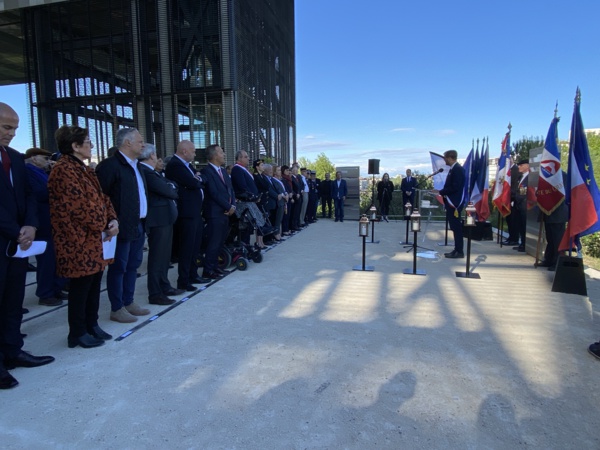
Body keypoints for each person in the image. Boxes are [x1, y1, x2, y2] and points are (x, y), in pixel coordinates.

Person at [49, 125, 119, 348]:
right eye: (88, 142)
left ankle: (92, 324)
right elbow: (79, 207)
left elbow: (103, 199)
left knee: (94, 283)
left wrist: (112, 219)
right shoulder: (63, 170)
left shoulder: (85, 170)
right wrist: (104, 224)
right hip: (77, 241)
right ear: (75, 146)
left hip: (94, 240)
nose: (91, 146)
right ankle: (77, 332)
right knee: (81, 287)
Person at [1, 102, 55, 390]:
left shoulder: (14, 157)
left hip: (19, 243)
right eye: (6, 127)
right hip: (8, 239)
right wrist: (16, 231)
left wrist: (31, 226)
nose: (11, 134)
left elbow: (30, 196)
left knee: (12, 302)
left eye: (15, 129)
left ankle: (12, 350)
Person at [96, 127, 150, 323]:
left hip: (138, 224)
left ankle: (128, 301)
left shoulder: (137, 166)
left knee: (133, 266)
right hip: (119, 227)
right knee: (119, 267)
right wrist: (108, 223)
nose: (143, 144)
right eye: (140, 141)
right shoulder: (110, 166)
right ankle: (117, 307)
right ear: (127, 143)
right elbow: (101, 197)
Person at [138, 144, 181, 305]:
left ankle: (164, 285)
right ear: (151, 156)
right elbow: (169, 191)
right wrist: (170, 187)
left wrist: (170, 187)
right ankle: (155, 293)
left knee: (164, 257)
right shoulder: (146, 172)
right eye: (156, 154)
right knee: (157, 258)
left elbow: (170, 187)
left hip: (164, 219)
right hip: (158, 220)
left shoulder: (152, 173)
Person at [24, 147, 67, 306]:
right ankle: (45, 292)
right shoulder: (29, 172)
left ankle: (56, 288)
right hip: (43, 221)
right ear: (34, 158)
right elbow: (41, 192)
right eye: (45, 158)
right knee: (46, 259)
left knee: (55, 258)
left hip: (52, 221)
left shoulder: (43, 172)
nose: (48, 161)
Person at [165, 140, 209, 291]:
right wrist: (197, 180)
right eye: (193, 151)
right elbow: (193, 182)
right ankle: (183, 280)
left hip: (195, 212)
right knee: (187, 248)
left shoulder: (187, 165)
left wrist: (199, 179)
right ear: (184, 151)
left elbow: (203, 179)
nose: (195, 153)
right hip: (186, 213)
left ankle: (193, 274)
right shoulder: (175, 165)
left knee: (195, 247)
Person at [200, 144, 236, 279]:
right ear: (214, 155)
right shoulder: (206, 172)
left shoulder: (223, 172)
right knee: (213, 243)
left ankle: (215, 267)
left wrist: (232, 205)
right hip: (215, 213)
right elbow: (213, 193)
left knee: (220, 242)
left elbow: (230, 190)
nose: (224, 155)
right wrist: (228, 206)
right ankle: (208, 270)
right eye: (221, 152)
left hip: (226, 212)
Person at [537, 172, 568, 271]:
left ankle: (558, 262)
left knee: (557, 240)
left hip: (558, 213)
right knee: (550, 239)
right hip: (548, 212)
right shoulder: (546, 176)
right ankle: (549, 259)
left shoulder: (561, 175)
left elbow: (560, 194)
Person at [438, 150, 466, 258]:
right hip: (451, 201)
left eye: (445, 158)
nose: (444, 160)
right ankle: (456, 249)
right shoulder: (453, 169)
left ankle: (459, 251)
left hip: (454, 203)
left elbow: (455, 187)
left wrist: (441, 192)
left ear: (450, 158)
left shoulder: (458, 169)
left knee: (456, 227)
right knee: (454, 228)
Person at [512, 159, 530, 252]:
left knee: (524, 226)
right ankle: (522, 243)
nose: (519, 167)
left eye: (521, 165)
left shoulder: (530, 177)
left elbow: (525, 192)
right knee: (520, 226)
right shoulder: (520, 177)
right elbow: (516, 190)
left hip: (524, 205)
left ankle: (525, 244)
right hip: (518, 205)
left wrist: (517, 198)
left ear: (527, 166)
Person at [503, 162, 520, 245]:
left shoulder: (516, 170)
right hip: (508, 199)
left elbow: (515, 186)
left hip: (513, 199)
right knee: (509, 219)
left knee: (513, 221)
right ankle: (511, 237)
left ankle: (514, 239)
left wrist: (510, 194)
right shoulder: (507, 170)